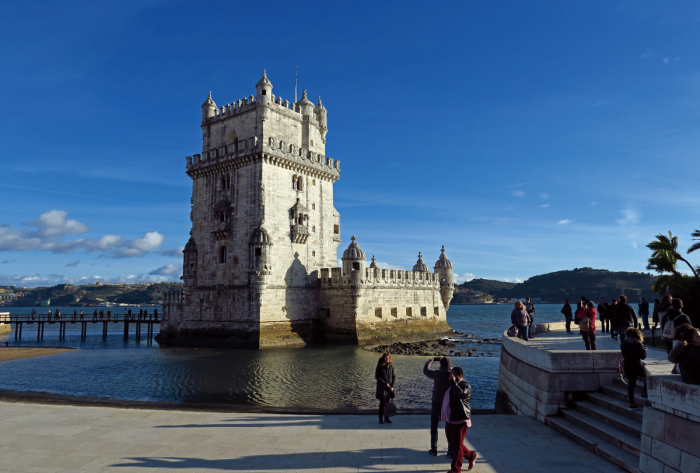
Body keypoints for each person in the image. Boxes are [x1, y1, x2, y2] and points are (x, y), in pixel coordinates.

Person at [441, 367, 477, 472]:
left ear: (458, 376)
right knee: (453, 444)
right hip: (450, 418)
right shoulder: (450, 384)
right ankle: (471, 456)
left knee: (457, 446)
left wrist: (452, 382)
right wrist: (440, 413)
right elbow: (445, 399)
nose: (450, 376)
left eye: (452, 374)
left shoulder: (465, 386)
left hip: (460, 419)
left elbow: (461, 395)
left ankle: (456, 469)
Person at [423, 357, 453, 457]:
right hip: (449, 403)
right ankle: (450, 450)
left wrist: (429, 362)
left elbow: (426, 371)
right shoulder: (452, 374)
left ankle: (434, 449)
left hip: (437, 402)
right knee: (450, 426)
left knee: (434, 425)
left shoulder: (437, 374)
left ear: (441, 364)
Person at [620, 327, 648, 409]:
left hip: (628, 365)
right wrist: (645, 351)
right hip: (637, 365)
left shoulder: (623, 343)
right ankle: (644, 392)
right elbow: (642, 357)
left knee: (631, 385)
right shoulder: (637, 343)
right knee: (647, 376)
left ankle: (632, 403)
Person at [375, 353, 396, 425]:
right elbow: (377, 377)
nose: (387, 359)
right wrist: (385, 383)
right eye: (386, 358)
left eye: (388, 358)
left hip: (389, 388)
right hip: (382, 388)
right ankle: (380, 418)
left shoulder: (391, 366)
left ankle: (386, 418)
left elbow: (394, 376)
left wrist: (392, 386)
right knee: (382, 404)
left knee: (387, 403)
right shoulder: (380, 366)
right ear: (384, 358)